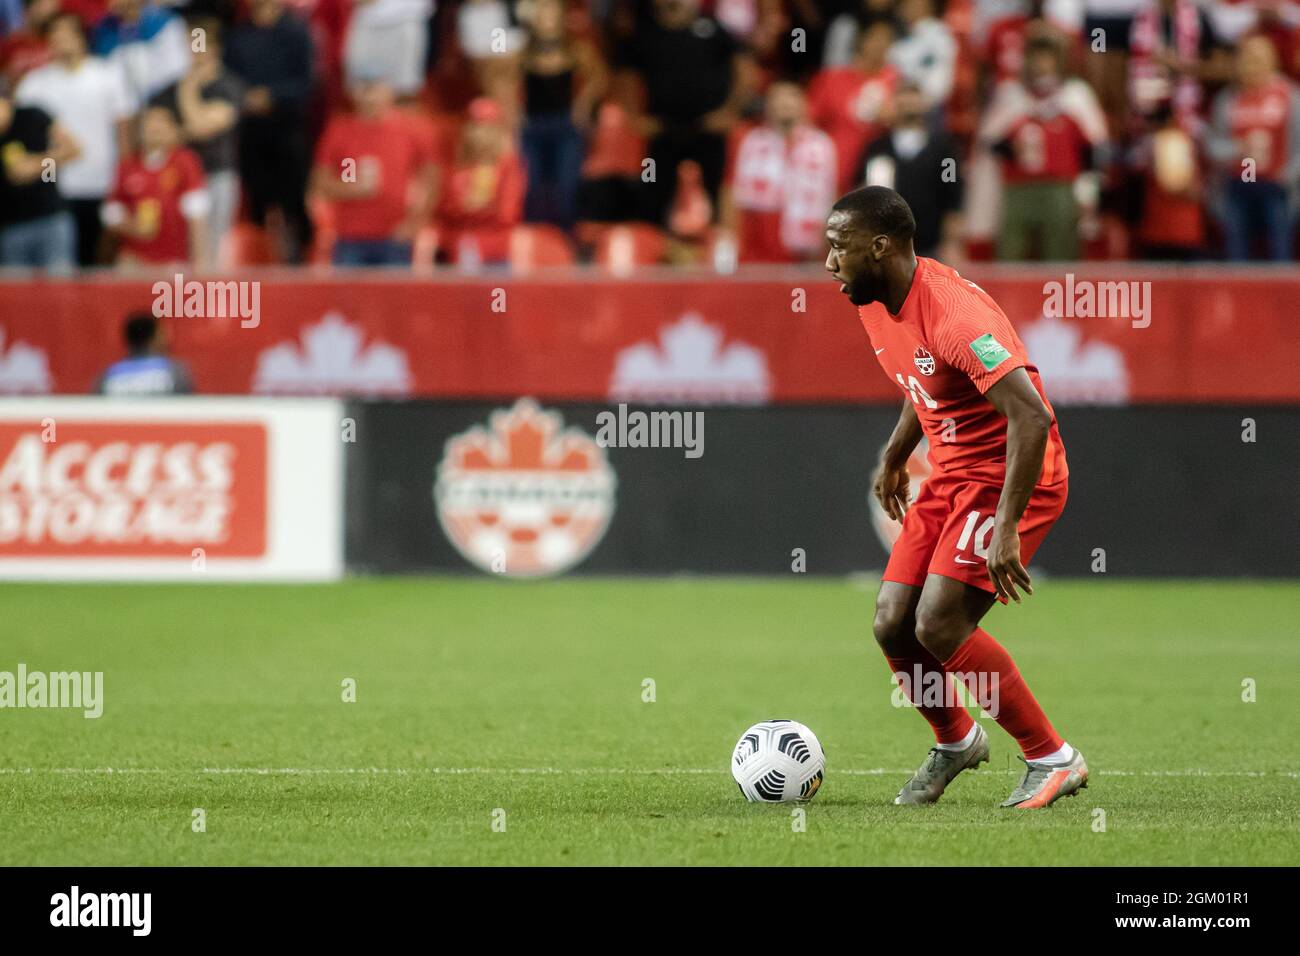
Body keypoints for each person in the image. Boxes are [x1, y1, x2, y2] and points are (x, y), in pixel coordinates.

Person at [824, 185, 1085, 809]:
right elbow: (925, 381)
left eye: (839, 248)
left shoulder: (955, 314)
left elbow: (1030, 416)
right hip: (952, 475)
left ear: (880, 247)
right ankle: (956, 741)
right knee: (893, 623)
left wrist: (1006, 523)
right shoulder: (872, 299)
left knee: (940, 622)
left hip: (1013, 475)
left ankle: (1053, 757)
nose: (829, 263)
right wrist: (893, 456)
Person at [15, 11, 133, 266]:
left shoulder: (107, 75)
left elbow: (123, 131)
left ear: (82, 37)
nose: (62, 40)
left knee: (97, 262)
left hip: (100, 183)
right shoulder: (35, 84)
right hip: (54, 189)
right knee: (61, 267)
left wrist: (124, 178)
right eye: (55, 34)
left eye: (68, 33)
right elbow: (21, 134)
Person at [310, 70, 439, 267]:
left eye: (376, 88)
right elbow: (322, 183)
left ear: (390, 91)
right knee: (349, 297)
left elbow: (432, 178)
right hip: (350, 238)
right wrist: (352, 188)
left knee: (394, 297)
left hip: (395, 238)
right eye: (363, 89)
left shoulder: (411, 130)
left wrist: (415, 222)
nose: (370, 97)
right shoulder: (341, 132)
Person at [224, 0, 314, 262]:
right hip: (251, 131)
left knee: (293, 200)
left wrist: (272, 96)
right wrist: (246, 97)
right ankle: (257, 261)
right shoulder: (239, 35)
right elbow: (228, 77)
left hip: (288, 129)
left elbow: (306, 82)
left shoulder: (297, 33)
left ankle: (300, 260)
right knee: (257, 201)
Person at [149, 16, 243, 268]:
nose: (194, 50)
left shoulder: (228, 86)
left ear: (215, 48)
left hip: (215, 174)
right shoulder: (168, 89)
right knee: (177, 249)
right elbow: (155, 132)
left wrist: (189, 89)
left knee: (210, 249)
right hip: (176, 177)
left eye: (200, 44)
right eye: (190, 43)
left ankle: (208, 304)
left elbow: (203, 127)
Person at [720, 80, 838, 263]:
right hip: (759, 245)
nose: (785, 102)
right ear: (767, 106)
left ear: (805, 104)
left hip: (807, 248)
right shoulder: (749, 141)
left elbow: (832, 196)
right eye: (777, 97)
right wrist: (729, 240)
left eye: (791, 96)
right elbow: (731, 190)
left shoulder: (822, 146)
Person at [1206, 33, 1300, 261]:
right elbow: (1212, 145)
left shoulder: (1289, 96)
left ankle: (1282, 295)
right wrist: (1236, 148)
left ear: (1272, 61)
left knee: (1279, 247)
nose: (1250, 65)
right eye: (1246, 58)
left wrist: (1289, 174)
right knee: (1236, 249)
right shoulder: (1228, 100)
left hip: (1276, 186)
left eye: (1257, 58)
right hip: (1238, 185)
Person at [860, 81, 964, 260]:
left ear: (925, 105)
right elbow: (864, 193)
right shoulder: (877, 148)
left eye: (913, 99)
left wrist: (952, 243)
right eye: (903, 101)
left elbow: (953, 199)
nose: (909, 105)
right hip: (887, 245)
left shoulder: (944, 150)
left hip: (931, 245)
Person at [101, 103, 209, 266]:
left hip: (174, 259)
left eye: (161, 123)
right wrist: (132, 227)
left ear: (174, 130)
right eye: (149, 123)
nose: (155, 127)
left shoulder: (185, 162)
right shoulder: (127, 166)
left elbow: (196, 211)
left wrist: (199, 260)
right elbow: (112, 211)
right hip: (135, 258)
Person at [0, 76, 79, 268]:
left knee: (59, 289)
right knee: (18, 294)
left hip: (49, 219)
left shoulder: (33, 116)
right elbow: (14, 174)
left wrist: (38, 165)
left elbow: (72, 149)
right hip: (11, 227)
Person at [95, 311, 193, 395]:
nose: (167, 338)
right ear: (155, 337)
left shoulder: (107, 376)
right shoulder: (174, 372)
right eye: (163, 333)